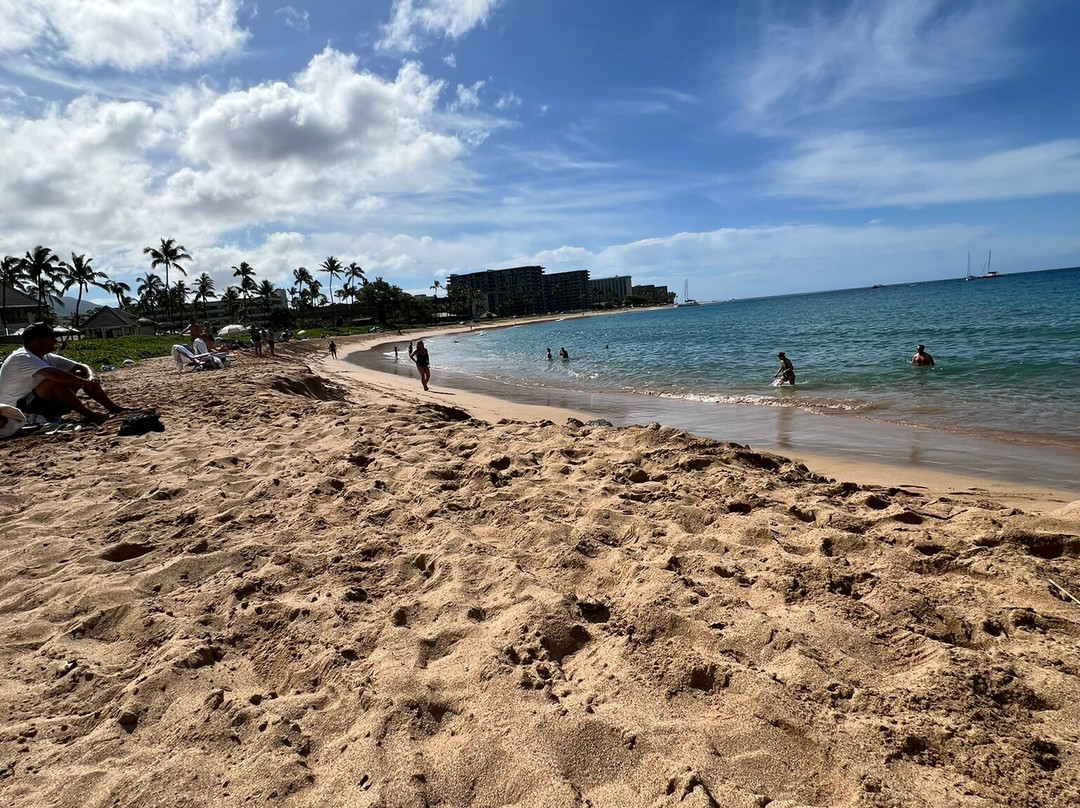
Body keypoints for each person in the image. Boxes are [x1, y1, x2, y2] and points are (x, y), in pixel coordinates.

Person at [0, 322, 131, 425]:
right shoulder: (22, 357)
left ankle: (113, 408)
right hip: (19, 408)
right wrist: (85, 382)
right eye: (52, 338)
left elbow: (82, 366)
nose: (56, 341)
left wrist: (90, 377)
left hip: (41, 404)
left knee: (80, 373)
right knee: (54, 381)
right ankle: (91, 415)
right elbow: (54, 375)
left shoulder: (47, 357)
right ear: (38, 340)